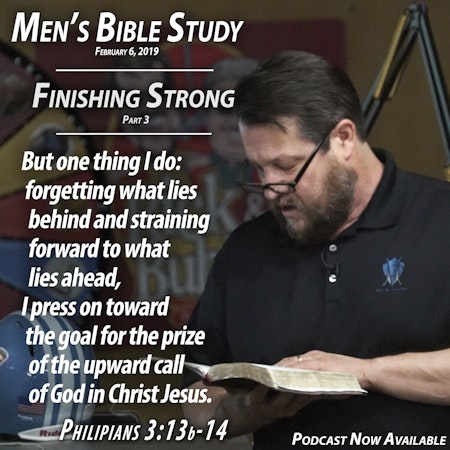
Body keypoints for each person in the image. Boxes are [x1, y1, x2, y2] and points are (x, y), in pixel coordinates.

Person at [181, 50, 450, 448]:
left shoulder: (439, 220)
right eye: (259, 169)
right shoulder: (246, 252)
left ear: (343, 139)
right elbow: (195, 395)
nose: (270, 189)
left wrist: (365, 373)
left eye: (286, 166)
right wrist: (251, 409)